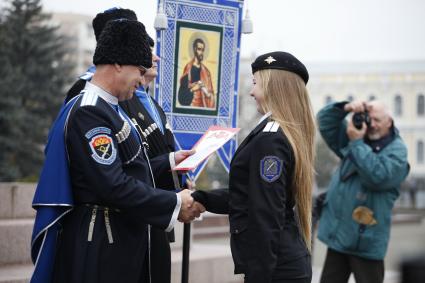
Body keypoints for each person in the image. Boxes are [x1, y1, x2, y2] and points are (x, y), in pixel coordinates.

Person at [31, 19, 203, 283]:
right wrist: (175, 203)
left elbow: (127, 168)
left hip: (117, 238)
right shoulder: (90, 111)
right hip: (101, 241)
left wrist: (168, 162)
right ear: (119, 63)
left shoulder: (109, 107)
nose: (142, 78)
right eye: (139, 69)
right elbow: (111, 184)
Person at [192, 51, 315, 283]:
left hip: (276, 268)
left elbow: (266, 212)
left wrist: (259, 275)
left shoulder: (271, 138)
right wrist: (201, 198)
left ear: (273, 87)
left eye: (256, 83)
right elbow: (250, 196)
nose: (251, 92)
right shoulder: (276, 132)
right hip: (281, 262)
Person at [316, 99, 410, 283]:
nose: (372, 125)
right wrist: (346, 108)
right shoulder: (357, 137)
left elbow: (377, 177)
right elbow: (325, 121)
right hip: (340, 237)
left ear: (389, 122)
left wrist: (357, 143)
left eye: (377, 120)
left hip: (367, 240)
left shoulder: (397, 150)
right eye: (369, 119)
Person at [119, 38, 182, 283]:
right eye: (148, 52)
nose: (155, 58)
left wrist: (177, 172)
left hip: (157, 205)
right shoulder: (119, 100)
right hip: (135, 210)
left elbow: (158, 150)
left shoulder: (150, 102)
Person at [177, 38, 215, 108]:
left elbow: (211, 95)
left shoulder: (206, 72)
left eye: (203, 50)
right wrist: (193, 89)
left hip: (203, 108)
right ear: (195, 49)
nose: (201, 52)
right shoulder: (188, 69)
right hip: (191, 107)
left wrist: (208, 94)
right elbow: (181, 97)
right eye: (199, 49)